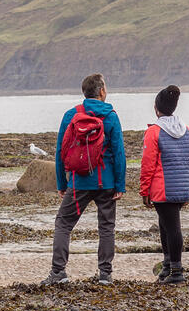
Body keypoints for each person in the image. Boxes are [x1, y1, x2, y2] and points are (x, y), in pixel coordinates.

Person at [43, 73, 127, 286]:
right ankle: (105, 274)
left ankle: (58, 272)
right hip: (106, 182)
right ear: (101, 91)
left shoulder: (71, 115)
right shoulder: (111, 116)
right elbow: (118, 154)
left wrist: (62, 183)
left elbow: (60, 152)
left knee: (63, 223)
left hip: (79, 181)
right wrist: (120, 185)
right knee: (106, 227)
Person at [139, 85, 189, 285]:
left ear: (157, 109)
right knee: (165, 225)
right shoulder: (187, 131)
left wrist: (144, 190)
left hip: (162, 188)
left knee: (172, 228)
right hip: (182, 186)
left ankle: (176, 270)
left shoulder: (154, 132)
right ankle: (167, 267)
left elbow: (148, 164)